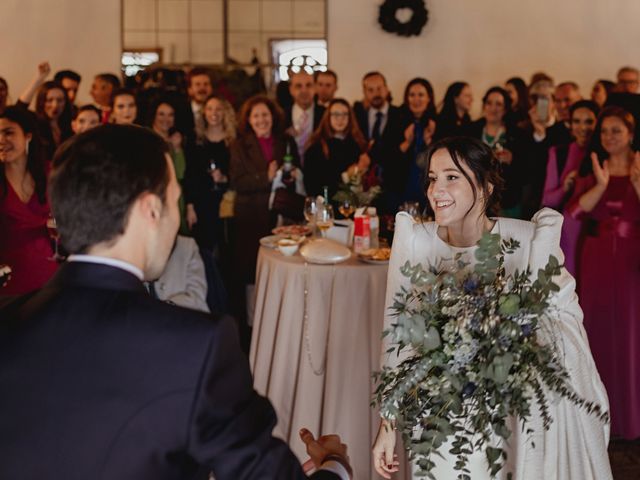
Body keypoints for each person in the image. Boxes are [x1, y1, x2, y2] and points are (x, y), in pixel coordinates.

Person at [0, 124, 351, 480]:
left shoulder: (9, 319)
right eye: (174, 199)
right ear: (151, 210)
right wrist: (335, 465)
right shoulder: (197, 347)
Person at [373, 136, 612, 479]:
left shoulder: (529, 241)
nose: (436, 189)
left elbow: (567, 326)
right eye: (432, 178)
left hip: (512, 423)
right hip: (438, 419)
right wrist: (387, 424)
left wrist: (507, 332)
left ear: (484, 186)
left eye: (451, 177)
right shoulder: (416, 241)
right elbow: (397, 336)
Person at [567, 106, 640, 440]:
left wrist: (637, 184)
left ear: (631, 135)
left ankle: (632, 418)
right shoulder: (592, 168)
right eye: (605, 131)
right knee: (595, 331)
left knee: (630, 332)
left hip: (630, 261)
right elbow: (572, 213)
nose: (609, 136)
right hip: (595, 257)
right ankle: (597, 418)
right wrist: (600, 185)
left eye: (616, 130)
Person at [229, 96, 298, 345]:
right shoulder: (238, 145)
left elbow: (295, 170)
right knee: (253, 275)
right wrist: (266, 177)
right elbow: (237, 182)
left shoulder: (286, 141)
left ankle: (281, 324)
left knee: (282, 271)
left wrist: (289, 176)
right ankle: (254, 330)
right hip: (250, 220)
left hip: (281, 217)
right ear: (248, 119)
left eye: (265, 115)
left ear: (273, 117)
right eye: (256, 115)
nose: (261, 120)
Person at [0, 106, 57, 295]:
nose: (1, 140)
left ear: (28, 136)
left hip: (48, 274)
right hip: (7, 279)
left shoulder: (50, 173)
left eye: (8, 133)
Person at [541, 100, 598, 276]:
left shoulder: (606, 155)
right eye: (577, 121)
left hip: (596, 231)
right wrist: (565, 188)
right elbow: (547, 200)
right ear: (570, 125)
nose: (583, 127)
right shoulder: (559, 153)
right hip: (568, 232)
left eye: (589, 121)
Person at [464, 86, 529, 218]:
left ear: (505, 109)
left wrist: (512, 160)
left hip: (507, 201)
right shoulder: (470, 131)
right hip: (474, 199)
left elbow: (527, 171)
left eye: (498, 104)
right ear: (484, 106)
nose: (493, 108)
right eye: (489, 103)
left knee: (506, 238)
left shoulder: (517, 135)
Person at [185, 95, 235, 252]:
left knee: (227, 249)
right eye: (210, 108)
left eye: (218, 109)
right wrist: (190, 206)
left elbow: (240, 172)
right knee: (203, 250)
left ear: (225, 112)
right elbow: (190, 174)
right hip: (202, 202)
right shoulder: (195, 139)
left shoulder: (233, 140)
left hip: (227, 203)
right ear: (204, 113)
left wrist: (225, 178)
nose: (214, 113)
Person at [303, 98, 368, 198]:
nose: (340, 119)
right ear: (328, 117)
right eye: (336, 114)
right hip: (327, 207)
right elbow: (313, 187)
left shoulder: (358, 143)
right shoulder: (316, 148)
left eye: (344, 114)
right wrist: (346, 176)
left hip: (355, 205)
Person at [388, 77, 437, 211]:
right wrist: (406, 143)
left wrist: (429, 142)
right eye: (412, 95)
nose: (416, 99)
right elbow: (388, 158)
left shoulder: (438, 122)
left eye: (421, 95)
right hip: (401, 184)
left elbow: (444, 160)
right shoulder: (396, 119)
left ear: (429, 98)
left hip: (428, 187)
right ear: (406, 98)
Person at [149, 99, 188, 232]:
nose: (166, 119)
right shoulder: (147, 140)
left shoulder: (178, 141)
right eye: (161, 114)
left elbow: (180, 173)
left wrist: (177, 149)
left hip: (177, 200)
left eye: (170, 114)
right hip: (155, 199)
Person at [285, 70, 325, 161]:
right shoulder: (281, 115)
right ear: (291, 90)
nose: (304, 90)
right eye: (298, 86)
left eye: (308, 85)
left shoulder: (325, 114)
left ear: (315, 88)